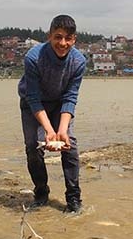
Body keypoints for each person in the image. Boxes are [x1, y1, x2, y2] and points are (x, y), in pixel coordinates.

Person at [18, 14, 86, 214]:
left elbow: (70, 98)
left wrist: (61, 130)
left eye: (68, 38)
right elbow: (33, 97)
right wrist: (48, 130)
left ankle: (73, 197)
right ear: (50, 36)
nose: (62, 43)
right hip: (33, 103)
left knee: (70, 145)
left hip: (59, 103)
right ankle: (41, 192)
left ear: (74, 39)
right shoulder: (33, 57)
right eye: (58, 37)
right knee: (33, 146)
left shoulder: (79, 61)